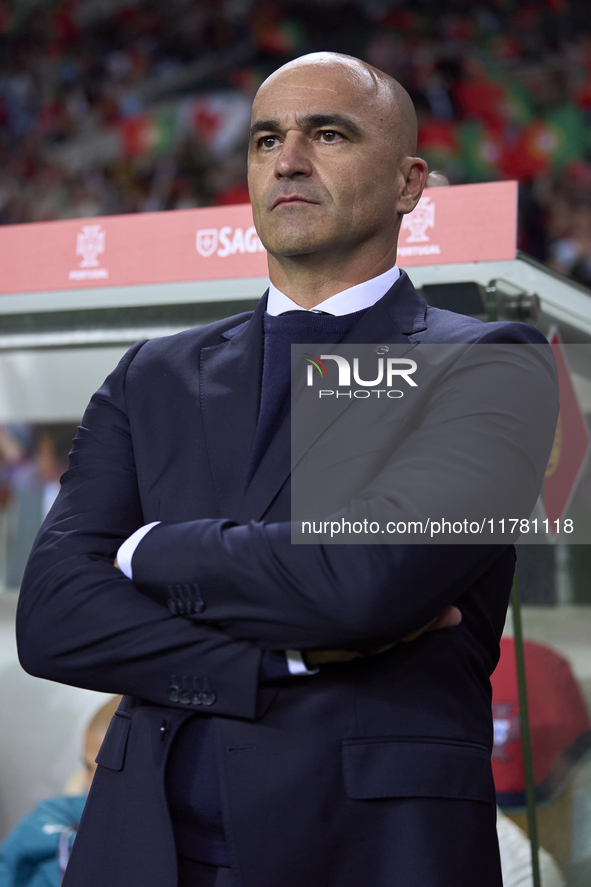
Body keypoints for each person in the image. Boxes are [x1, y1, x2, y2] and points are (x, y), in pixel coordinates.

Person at [16, 53, 558, 887]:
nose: (287, 159)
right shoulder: (152, 372)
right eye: (266, 138)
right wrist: (278, 661)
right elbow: (53, 616)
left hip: (365, 853)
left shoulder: (488, 364)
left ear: (410, 183)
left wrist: (147, 551)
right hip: (141, 846)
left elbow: (360, 581)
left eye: (327, 134)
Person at [0, 697, 120, 887]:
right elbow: (5, 867)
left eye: (108, 775)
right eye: (88, 768)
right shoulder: (55, 814)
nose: (93, 785)